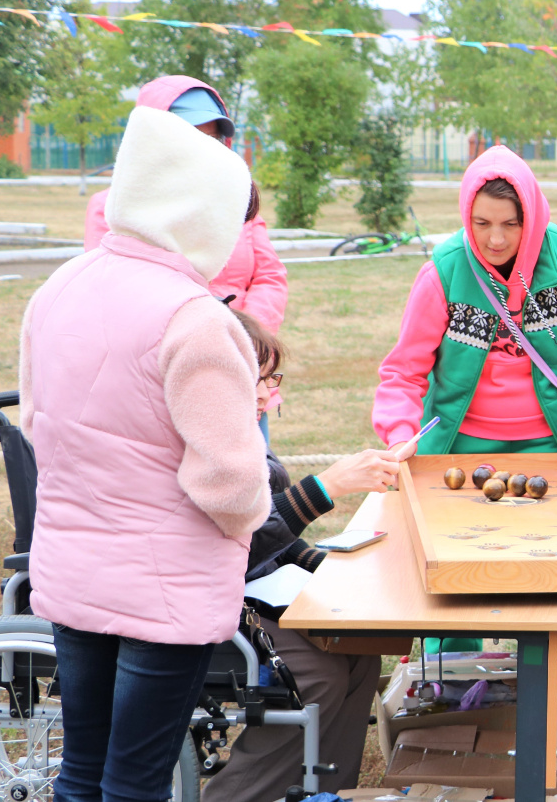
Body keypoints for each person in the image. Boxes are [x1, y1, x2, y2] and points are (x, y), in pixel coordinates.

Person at [20, 103, 272, 799]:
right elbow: (229, 482)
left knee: (82, 772)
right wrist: (247, 524)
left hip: (74, 569)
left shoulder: (57, 288)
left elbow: (37, 423)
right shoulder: (195, 319)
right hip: (167, 586)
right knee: (136, 780)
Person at [200, 311, 405, 802]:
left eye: (271, 379)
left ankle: (325, 793)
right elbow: (238, 547)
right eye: (258, 380)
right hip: (211, 605)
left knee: (358, 653)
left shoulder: (243, 441)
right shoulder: (206, 453)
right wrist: (323, 489)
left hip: (248, 595)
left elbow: (276, 547)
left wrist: (331, 567)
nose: (270, 394)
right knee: (318, 674)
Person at [374, 144, 557, 462]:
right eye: (482, 224)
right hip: (458, 442)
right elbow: (404, 370)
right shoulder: (444, 270)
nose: (496, 240)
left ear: (531, 217)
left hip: (555, 441)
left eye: (510, 224)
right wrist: (399, 432)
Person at [84, 76, 290, 440]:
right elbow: (115, 299)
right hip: (166, 384)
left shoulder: (239, 202)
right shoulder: (114, 209)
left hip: (245, 371)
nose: (202, 150)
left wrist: (244, 344)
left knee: (256, 488)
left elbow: (270, 277)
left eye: (211, 139)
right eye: (189, 136)